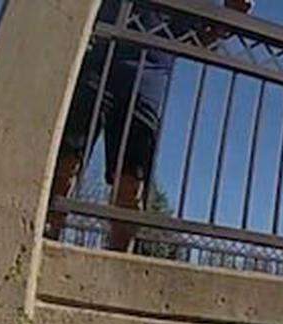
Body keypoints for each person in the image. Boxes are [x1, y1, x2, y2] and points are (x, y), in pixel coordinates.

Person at [48, 0, 254, 250]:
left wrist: (230, 15)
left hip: (147, 79)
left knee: (132, 178)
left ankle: (119, 256)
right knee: (67, 159)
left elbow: (200, 38)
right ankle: (46, 231)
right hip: (98, 62)